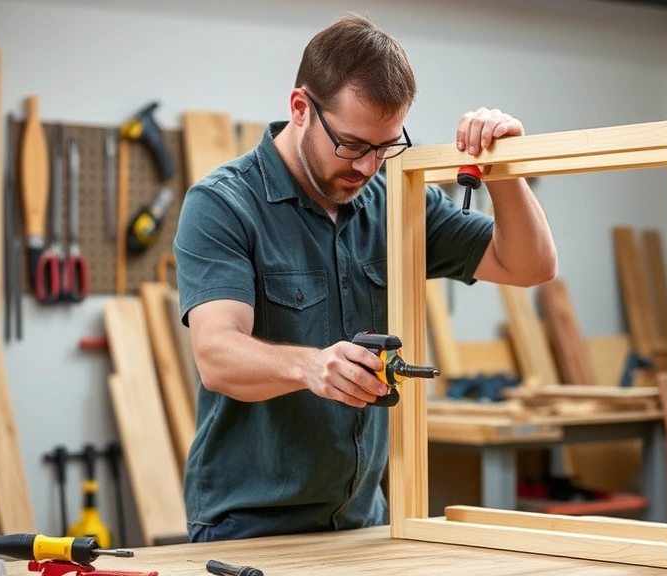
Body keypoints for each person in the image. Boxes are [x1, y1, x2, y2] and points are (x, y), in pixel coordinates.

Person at [173, 12, 558, 542]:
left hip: (364, 521)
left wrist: (505, 170)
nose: (369, 167)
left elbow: (530, 265)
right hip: (249, 527)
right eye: (353, 145)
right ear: (301, 108)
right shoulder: (224, 204)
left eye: (386, 147)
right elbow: (216, 355)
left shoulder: (395, 203)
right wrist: (312, 366)